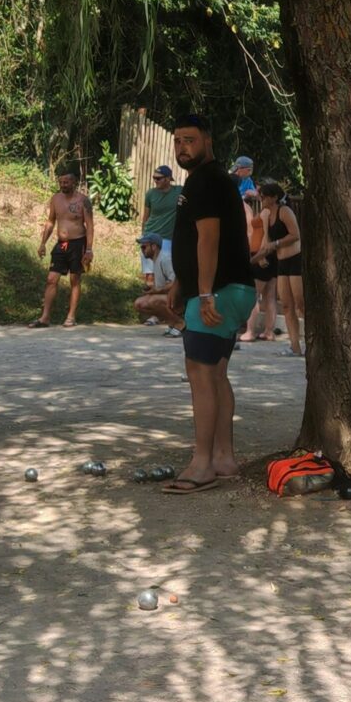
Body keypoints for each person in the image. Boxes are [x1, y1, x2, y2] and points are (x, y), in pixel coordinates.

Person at [163, 114, 256, 493]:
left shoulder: (206, 180)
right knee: (216, 373)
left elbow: (209, 239)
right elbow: (195, 240)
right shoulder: (211, 180)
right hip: (231, 289)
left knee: (200, 374)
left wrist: (202, 294)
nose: (182, 147)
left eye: (190, 140)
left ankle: (202, 464)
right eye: (178, 141)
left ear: (208, 141)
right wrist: (181, 283)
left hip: (218, 292)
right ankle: (223, 458)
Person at [31, 165, 94, 328]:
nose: (63, 185)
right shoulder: (55, 199)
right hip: (61, 245)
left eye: (66, 182)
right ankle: (45, 318)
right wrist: (43, 243)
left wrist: (89, 249)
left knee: (75, 279)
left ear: (74, 182)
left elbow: (90, 226)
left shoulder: (83, 201)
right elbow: (51, 221)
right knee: (51, 279)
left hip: (78, 243)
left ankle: (71, 316)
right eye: (61, 182)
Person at [256, 181, 304, 356]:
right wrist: (259, 257)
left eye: (264, 196)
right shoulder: (267, 215)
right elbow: (266, 240)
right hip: (281, 262)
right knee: (286, 305)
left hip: (295, 259)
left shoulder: (285, 211)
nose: (261, 199)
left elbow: (295, 234)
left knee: (300, 303)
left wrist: (276, 244)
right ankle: (294, 346)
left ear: (274, 197)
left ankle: (314, 341)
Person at [137, 163, 180, 323]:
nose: (155, 181)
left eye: (159, 178)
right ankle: (154, 312)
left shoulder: (179, 191)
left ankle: (167, 310)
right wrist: (144, 235)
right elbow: (146, 216)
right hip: (151, 235)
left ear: (168, 179)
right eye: (154, 178)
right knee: (149, 275)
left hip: (168, 238)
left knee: (166, 275)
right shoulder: (151, 194)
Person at [241, 191, 278, 342]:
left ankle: (250, 331)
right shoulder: (269, 212)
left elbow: (266, 235)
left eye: (263, 196)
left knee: (253, 294)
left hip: (261, 254)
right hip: (269, 255)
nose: (260, 198)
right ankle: (269, 331)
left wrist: (261, 255)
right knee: (270, 296)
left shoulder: (266, 212)